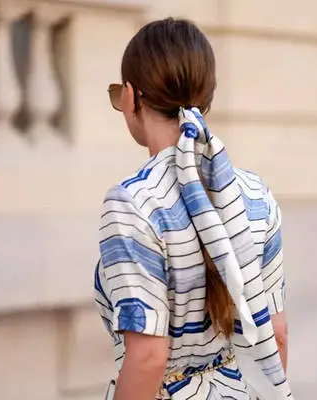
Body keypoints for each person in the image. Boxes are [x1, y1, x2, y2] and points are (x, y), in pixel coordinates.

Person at [94, 17, 294, 400]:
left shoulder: (133, 203)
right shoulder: (255, 195)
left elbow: (148, 357)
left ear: (132, 97)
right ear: (208, 100)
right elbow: (276, 333)